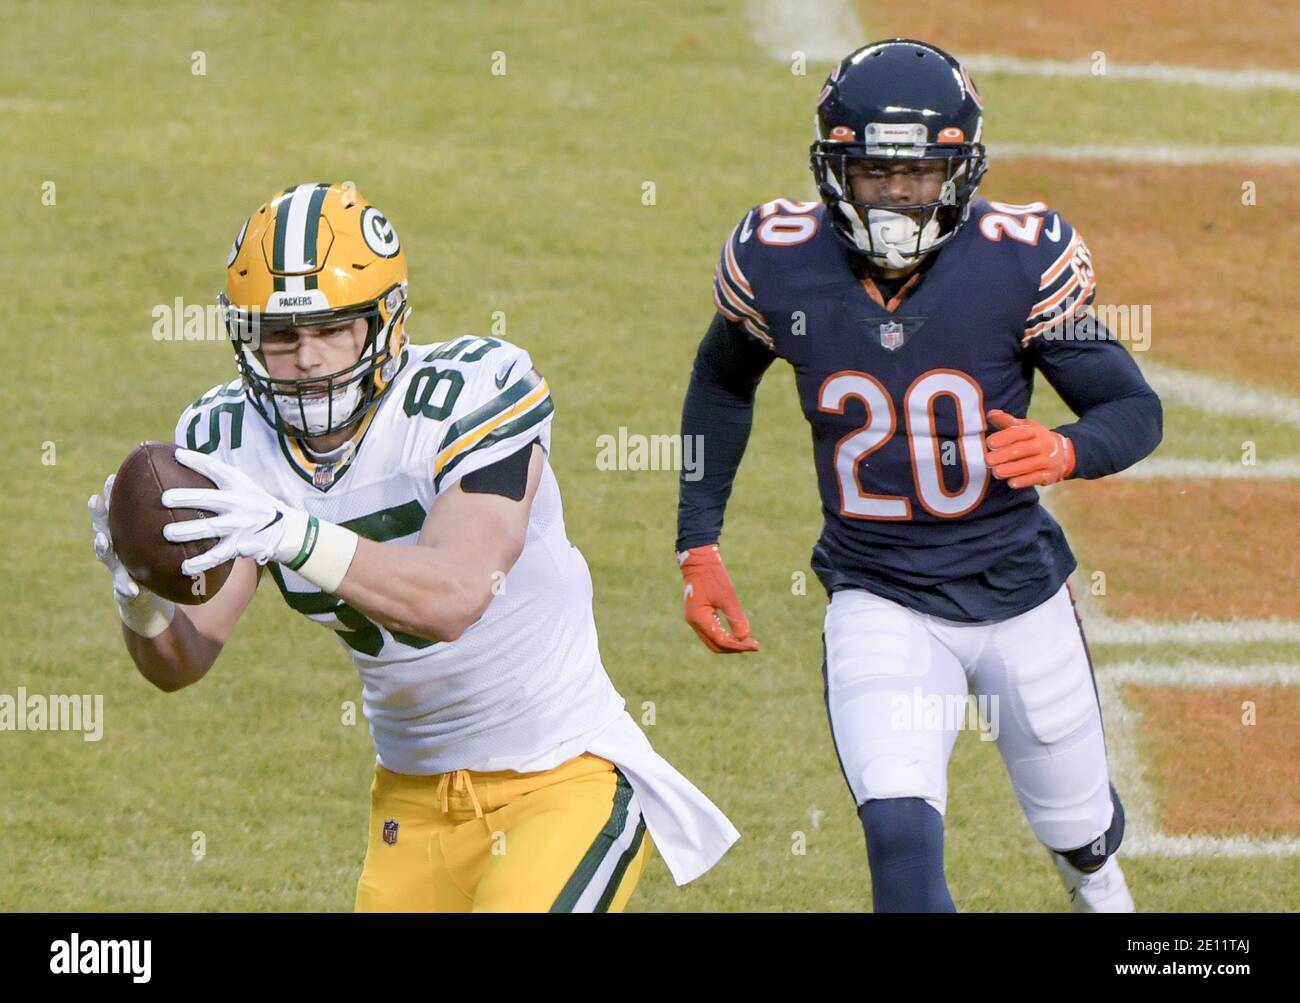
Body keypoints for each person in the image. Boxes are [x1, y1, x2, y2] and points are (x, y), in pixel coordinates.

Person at [89, 182, 738, 912]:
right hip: (411, 803)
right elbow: (183, 660)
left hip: (562, 778)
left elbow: (455, 597)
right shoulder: (227, 436)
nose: (306, 358)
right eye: (281, 334)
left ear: (384, 323)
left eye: (334, 329)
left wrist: (291, 532)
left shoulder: (474, 392)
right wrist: (139, 595)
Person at [675, 40, 1161, 912]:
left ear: (961, 168)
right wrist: (697, 541)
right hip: (879, 591)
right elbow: (721, 380)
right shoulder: (780, 257)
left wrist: (1064, 450)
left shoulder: (1019, 259)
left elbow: (1132, 408)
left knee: (1081, 834)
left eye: (919, 173)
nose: (897, 195)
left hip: (1018, 590)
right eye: (874, 172)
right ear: (834, 169)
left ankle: (1101, 885)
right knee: (899, 842)